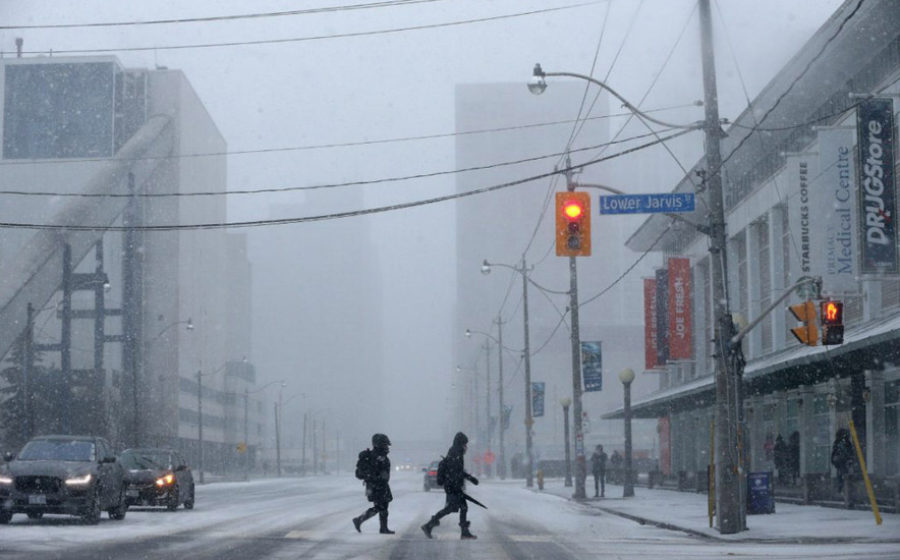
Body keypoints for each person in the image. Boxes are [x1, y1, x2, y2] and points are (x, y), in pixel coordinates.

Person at [421, 432, 479, 540]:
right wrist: (469, 478)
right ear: (461, 444)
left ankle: (464, 532)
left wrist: (469, 478)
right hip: (453, 486)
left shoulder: (455, 452)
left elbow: (457, 471)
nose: (466, 447)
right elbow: (456, 472)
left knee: (462, 507)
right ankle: (428, 526)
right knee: (451, 508)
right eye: (465, 444)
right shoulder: (456, 453)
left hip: (453, 485)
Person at [352, 433, 394, 534]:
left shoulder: (379, 456)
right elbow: (376, 472)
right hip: (377, 485)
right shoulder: (376, 456)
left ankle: (383, 528)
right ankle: (359, 520)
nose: (387, 447)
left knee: (383, 506)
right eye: (385, 445)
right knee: (380, 506)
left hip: (379, 485)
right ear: (378, 444)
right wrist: (377, 478)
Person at [830, 427, 854, 494]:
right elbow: (850, 451)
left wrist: (833, 460)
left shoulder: (837, 441)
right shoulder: (847, 442)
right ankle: (845, 488)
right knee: (845, 473)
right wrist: (850, 459)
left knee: (840, 474)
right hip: (844, 460)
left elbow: (834, 452)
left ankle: (841, 487)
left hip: (838, 461)